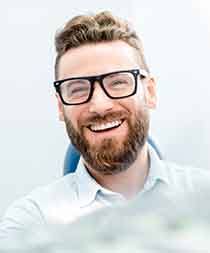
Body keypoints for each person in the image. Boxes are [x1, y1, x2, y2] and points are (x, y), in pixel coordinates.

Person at [1, 11, 209, 239]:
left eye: (118, 82)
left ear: (149, 92)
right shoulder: (31, 223)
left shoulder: (204, 198)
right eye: (78, 89)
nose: (100, 105)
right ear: (61, 107)